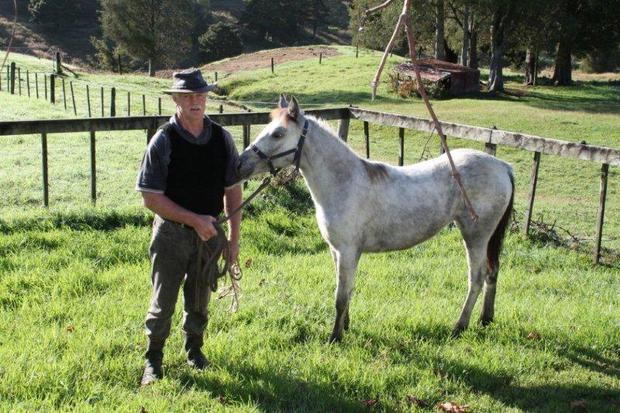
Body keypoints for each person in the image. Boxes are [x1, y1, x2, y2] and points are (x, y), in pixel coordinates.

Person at [135, 68, 242, 386]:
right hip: (172, 235)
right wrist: (194, 220)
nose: (196, 101)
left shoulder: (222, 139)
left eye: (200, 95)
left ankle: (194, 350)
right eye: (188, 96)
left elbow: (233, 190)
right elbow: (150, 198)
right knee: (163, 299)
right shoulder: (163, 141)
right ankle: (153, 359)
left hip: (209, 236)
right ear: (177, 100)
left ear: (206, 98)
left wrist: (233, 240)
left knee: (199, 297)